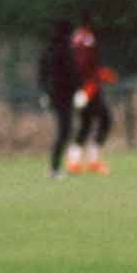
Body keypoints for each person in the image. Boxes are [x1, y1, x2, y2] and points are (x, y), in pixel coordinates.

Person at [40, 14, 109, 178]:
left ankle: (70, 163)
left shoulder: (50, 49)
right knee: (71, 128)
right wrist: (80, 89)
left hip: (59, 94)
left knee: (77, 126)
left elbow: (43, 73)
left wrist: (44, 92)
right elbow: (72, 72)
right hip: (67, 94)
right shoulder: (69, 47)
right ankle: (59, 167)